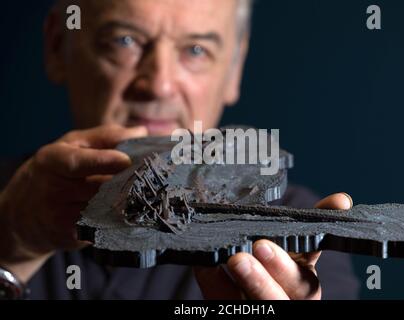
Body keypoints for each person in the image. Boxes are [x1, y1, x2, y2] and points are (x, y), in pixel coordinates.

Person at [0, 0, 359, 299]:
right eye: (124, 40)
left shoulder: (298, 238)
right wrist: (14, 246)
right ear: (56, 46)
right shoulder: (10, 209)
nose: (159, 84)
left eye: (196, 50)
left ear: (234, 68)